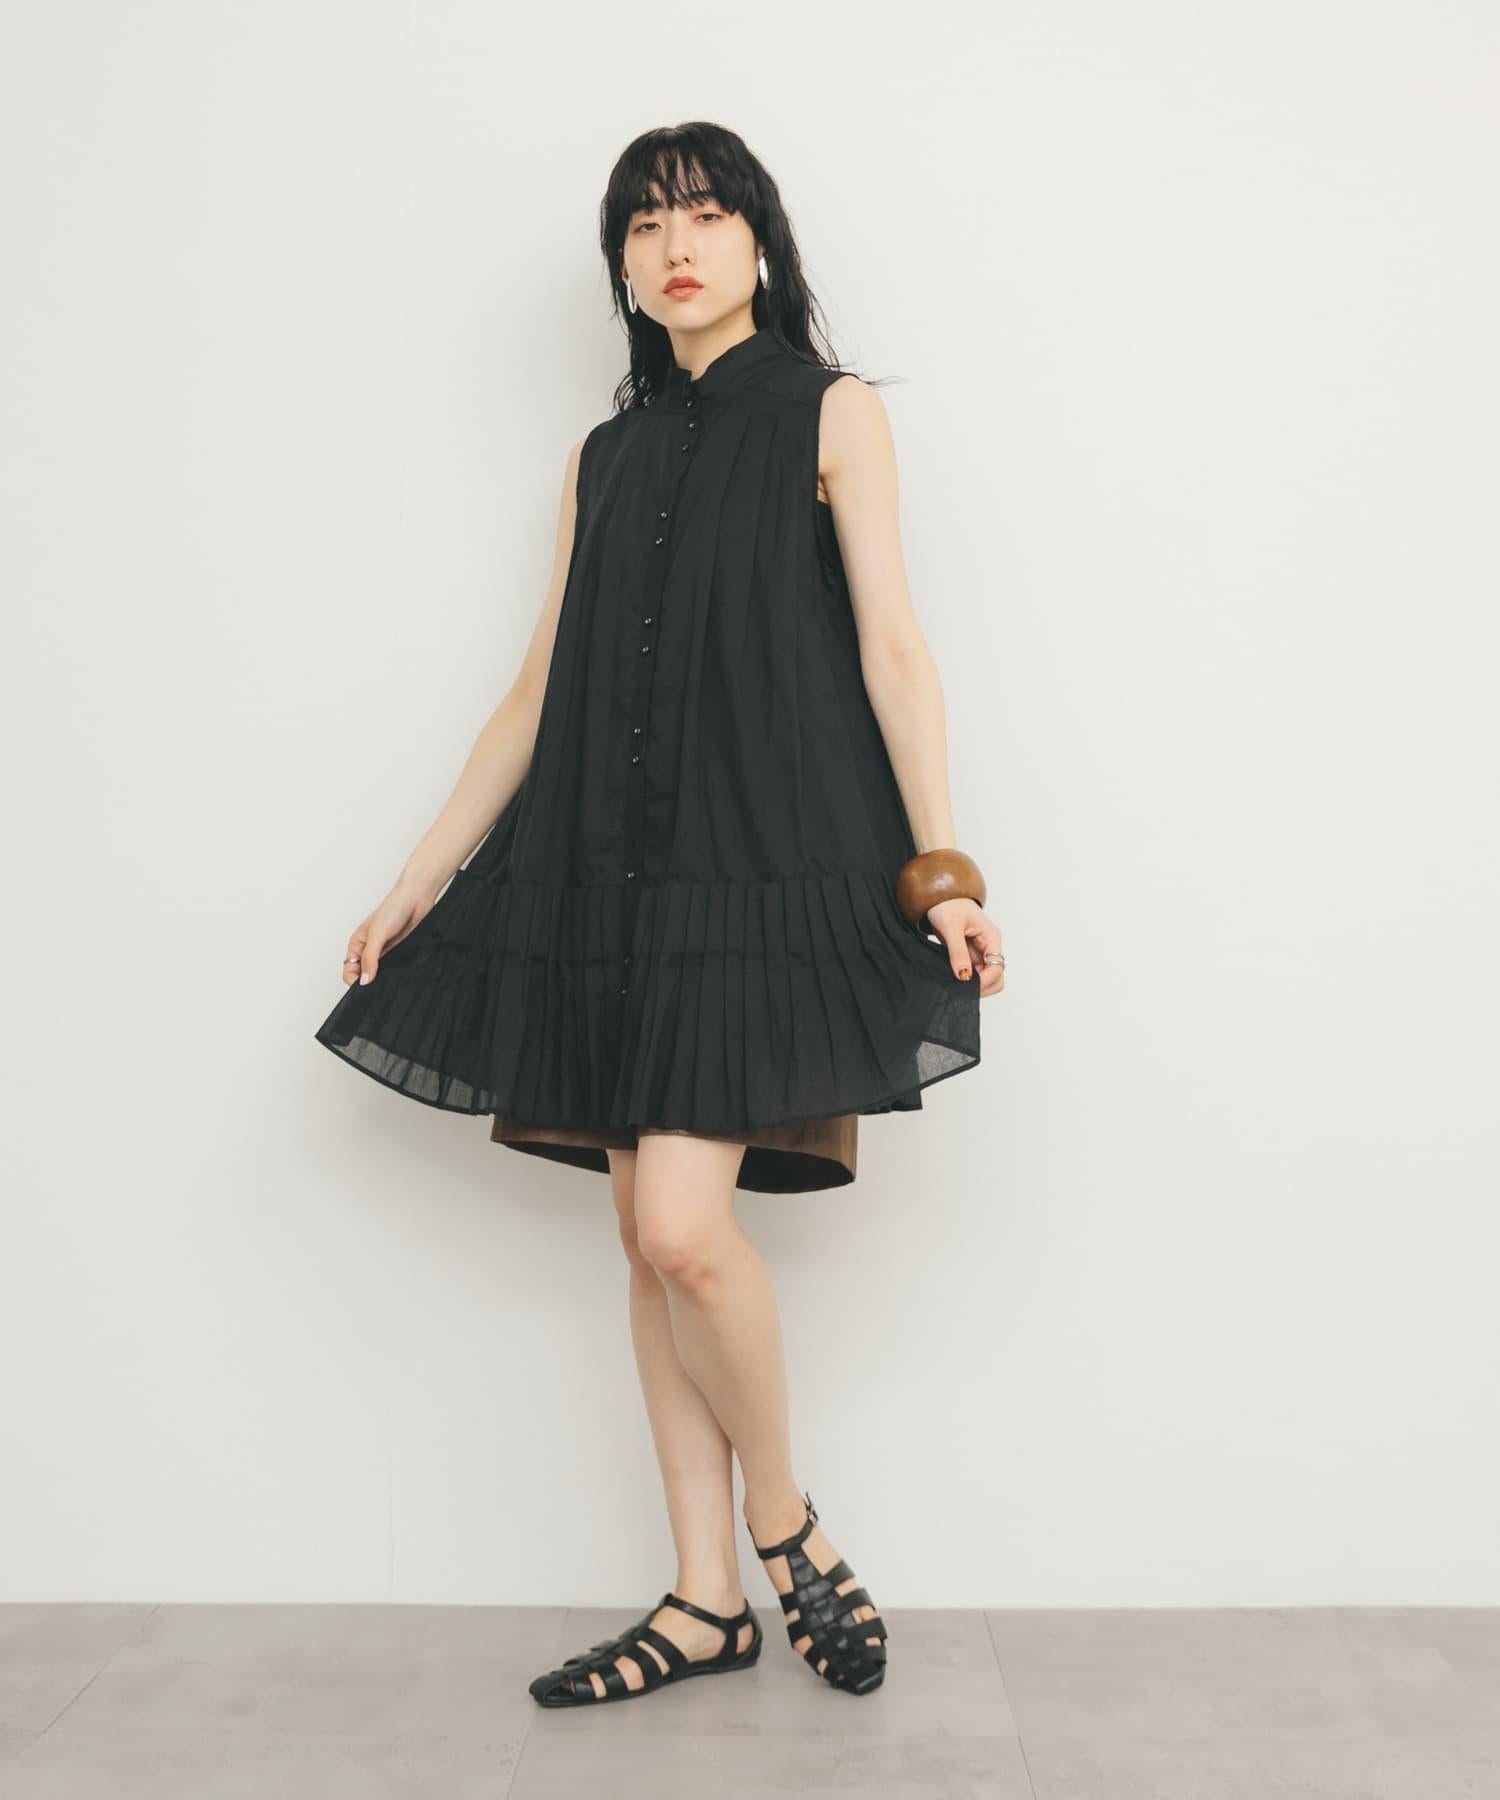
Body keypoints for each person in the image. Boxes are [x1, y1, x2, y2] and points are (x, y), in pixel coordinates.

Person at [314, 122, 1005, 1707]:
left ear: (759, 240)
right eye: (643, 222)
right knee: (644, 1237)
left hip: (763, 871)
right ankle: (703, 1600)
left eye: (703, 214)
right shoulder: (603, 455)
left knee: (687, 1230)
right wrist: (415, 880)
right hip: (607, 873)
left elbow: (896, 650)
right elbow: (535, 690)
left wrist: (947, 869)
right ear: (622, 264)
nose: (674, 244)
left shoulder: (832, 413)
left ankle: (785, 1523)